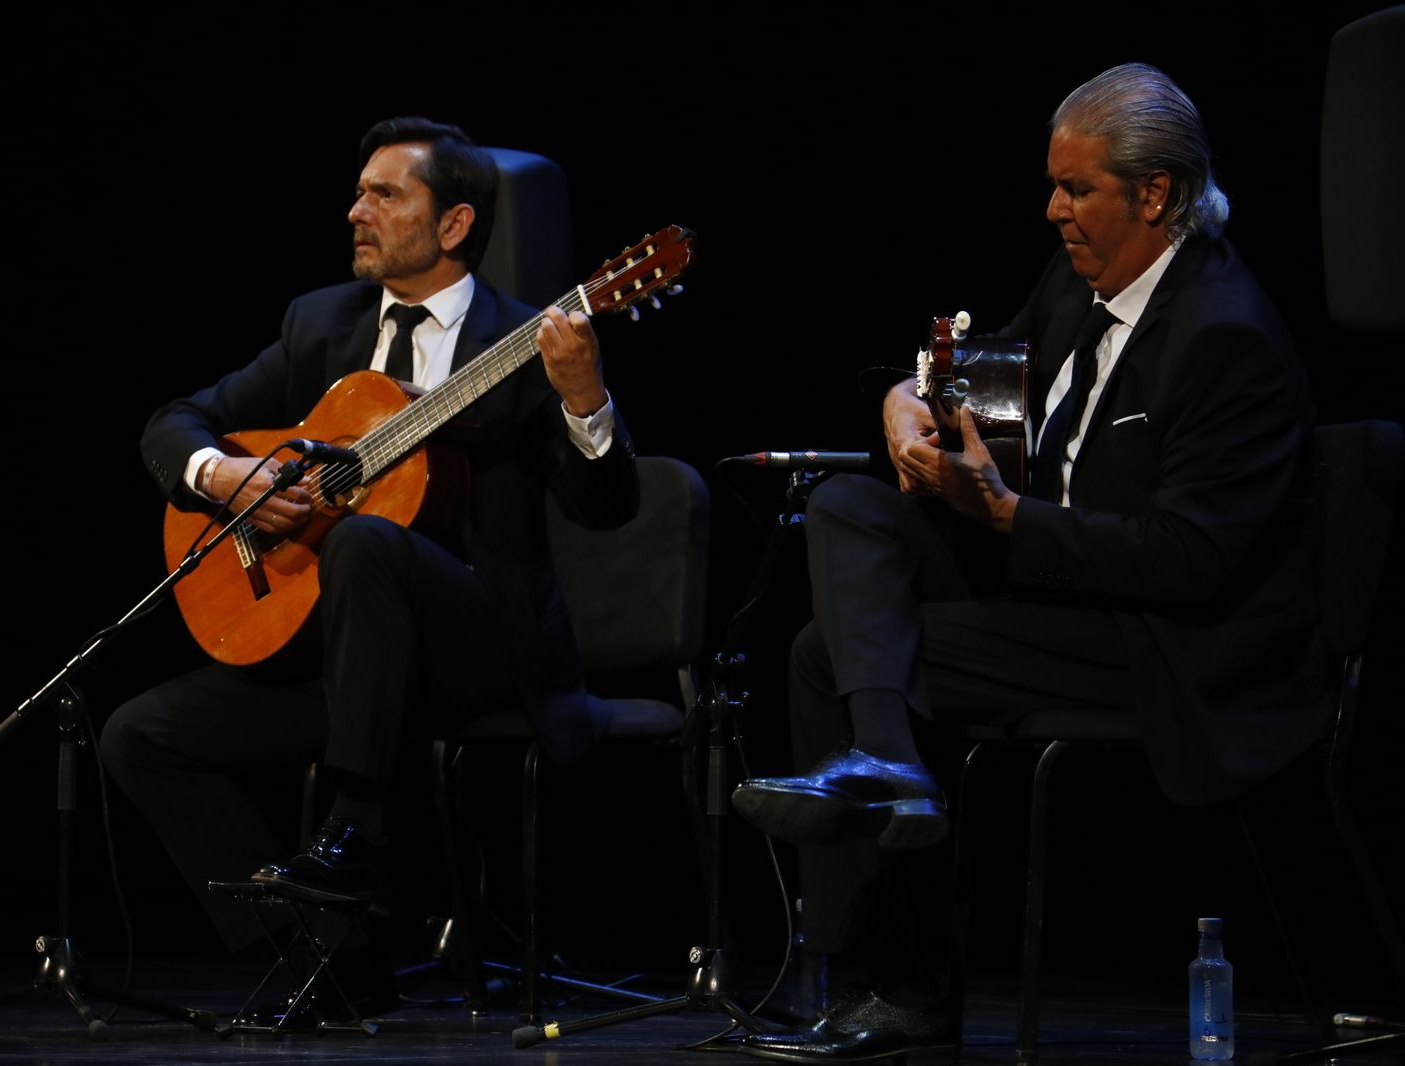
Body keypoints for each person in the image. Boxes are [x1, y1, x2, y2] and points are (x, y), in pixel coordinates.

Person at [731, 64, 1326, 1061]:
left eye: (1076, 188)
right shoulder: (1078, 280)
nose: (1052, 210)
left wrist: (1008, 517)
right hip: (1059, 585)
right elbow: (978, 378)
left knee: (827, 655)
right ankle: (890, 776)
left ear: (1155, 194)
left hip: (1166, 641)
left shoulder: (1225, 336)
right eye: (1053, 185)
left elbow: (1191, 561)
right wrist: (905, 400)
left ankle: (899, 986)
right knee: (845, 505)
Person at [100, 117, 638, 1012]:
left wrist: (584, 397)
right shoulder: (320, 325)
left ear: (454, 224)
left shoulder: (524, 340)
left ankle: (355, 835)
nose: (356, 211)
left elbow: (608, 507)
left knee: (365, 539)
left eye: (385, 194)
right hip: (345, 661)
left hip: (477, 650)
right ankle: (331, 958)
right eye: (358, 194)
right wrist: (225, 477)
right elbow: (175, 422)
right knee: (140, 736)